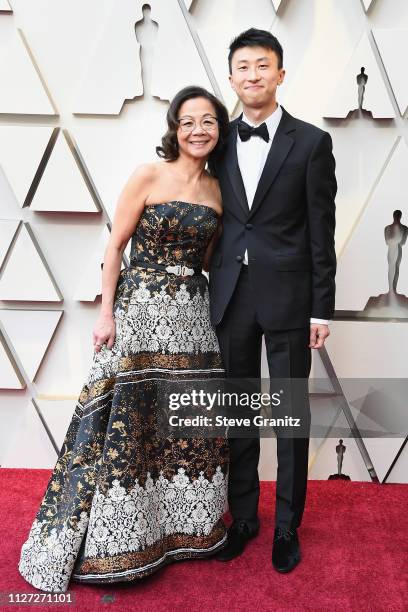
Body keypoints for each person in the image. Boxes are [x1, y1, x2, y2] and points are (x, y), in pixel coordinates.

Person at [18, 85, 230, 593]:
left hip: (192, 317)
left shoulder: (220, 190)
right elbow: (115, 247)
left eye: (208, 121)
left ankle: (183, 533)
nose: (198, 130)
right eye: (188, 121)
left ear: (219, 130)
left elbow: (206, 262)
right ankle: (117, 541)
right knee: (128, 421)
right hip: (139, 312)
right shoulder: (148, 175)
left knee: (183, 425)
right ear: (174, 129)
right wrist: (105, 313)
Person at [208, 28, 337, 572]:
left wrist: (321, 308)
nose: (253, 75)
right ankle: (243, 519)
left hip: (289, 298)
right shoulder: (213, 141)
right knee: (238, 414)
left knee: (289, 417)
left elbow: (320, 230)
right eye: (243, 66)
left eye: (263, 66)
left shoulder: (310, 143)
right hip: (231, 297)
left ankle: (287, 525)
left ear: (280, 74)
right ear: (231, 76)